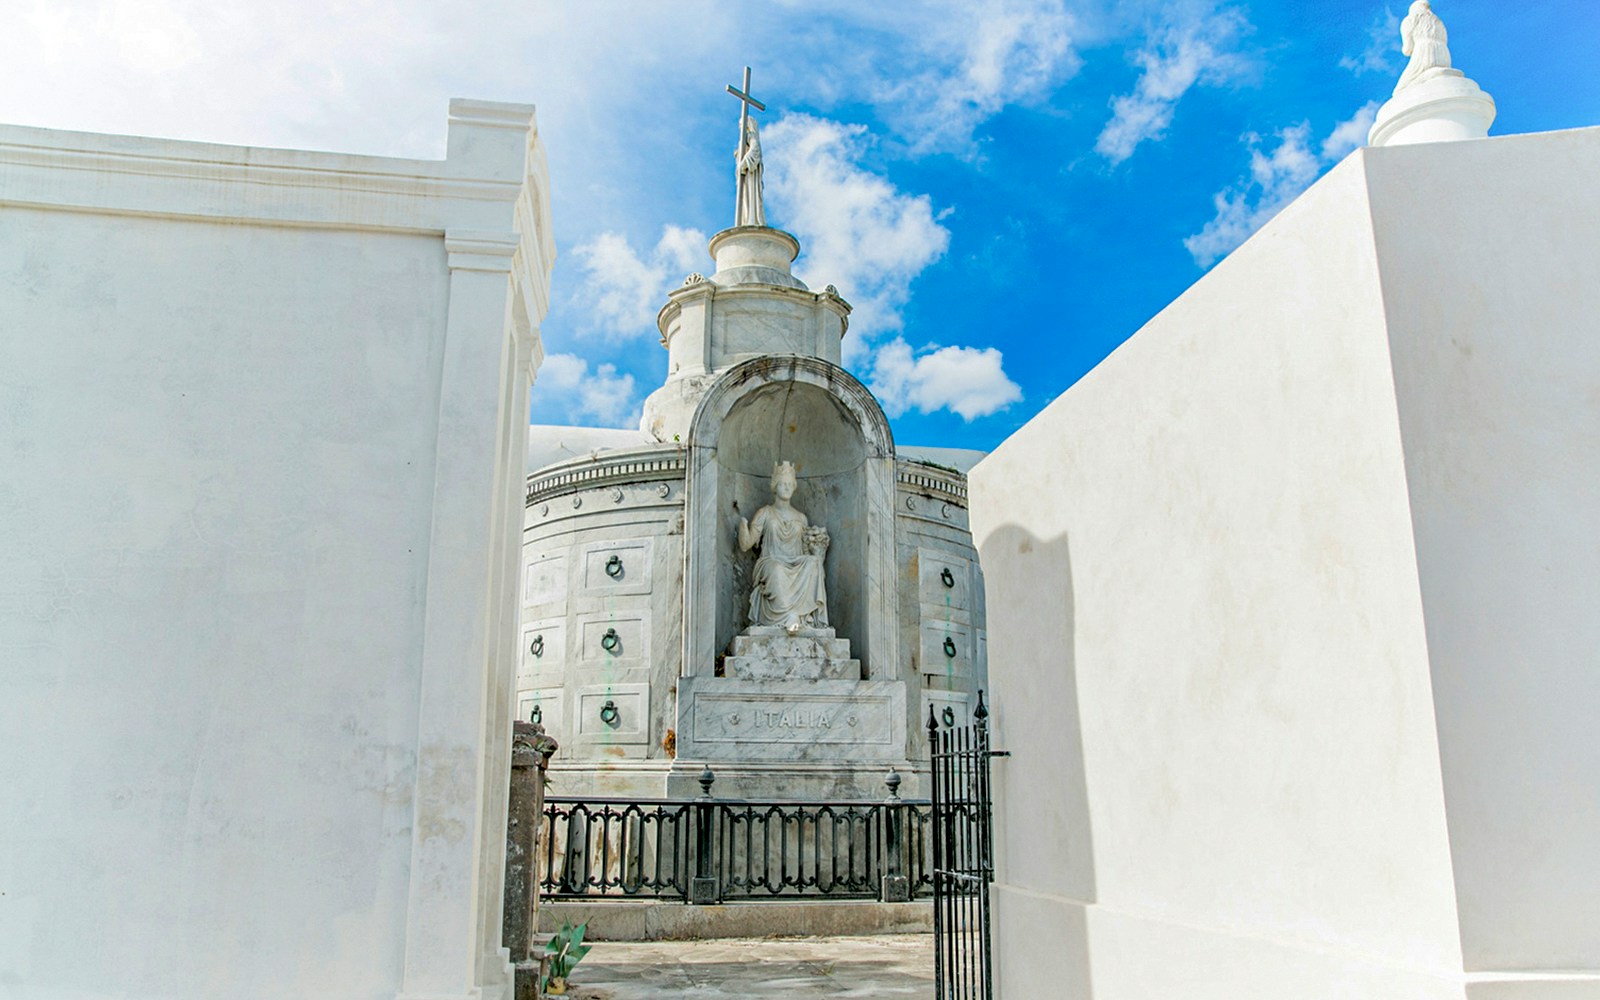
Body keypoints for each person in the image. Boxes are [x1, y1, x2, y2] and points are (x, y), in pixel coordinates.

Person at [737, 461, 829, 632]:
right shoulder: (765, 513)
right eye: (782, 484)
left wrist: (818, 550)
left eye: (789, 484)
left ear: (794, 487)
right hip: (771, 560)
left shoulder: (801, 518)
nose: (786, 488)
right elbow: (746, 545)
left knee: (813, 563)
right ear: (775, 486)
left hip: (796, 561)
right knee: (777, 569)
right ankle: (789, 616)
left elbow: (806, 550)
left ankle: (801, 616)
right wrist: (743, 526)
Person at [1397, 0, 1452, 94]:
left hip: (1424, 52)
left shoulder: (1409, 20)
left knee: (1400, 90)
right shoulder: (1438, 21)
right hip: (1444, 55)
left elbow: (1407, 49)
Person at [735, 115, 766, 227]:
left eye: (742, 125)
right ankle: (747, 219)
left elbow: (755, 149)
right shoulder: (744, 138)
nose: (740, 127)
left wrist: (743, 163)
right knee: (745, 198)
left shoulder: (750, 136)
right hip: (745, 176)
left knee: (751, 196)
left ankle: (752, 219)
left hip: (750, 174)